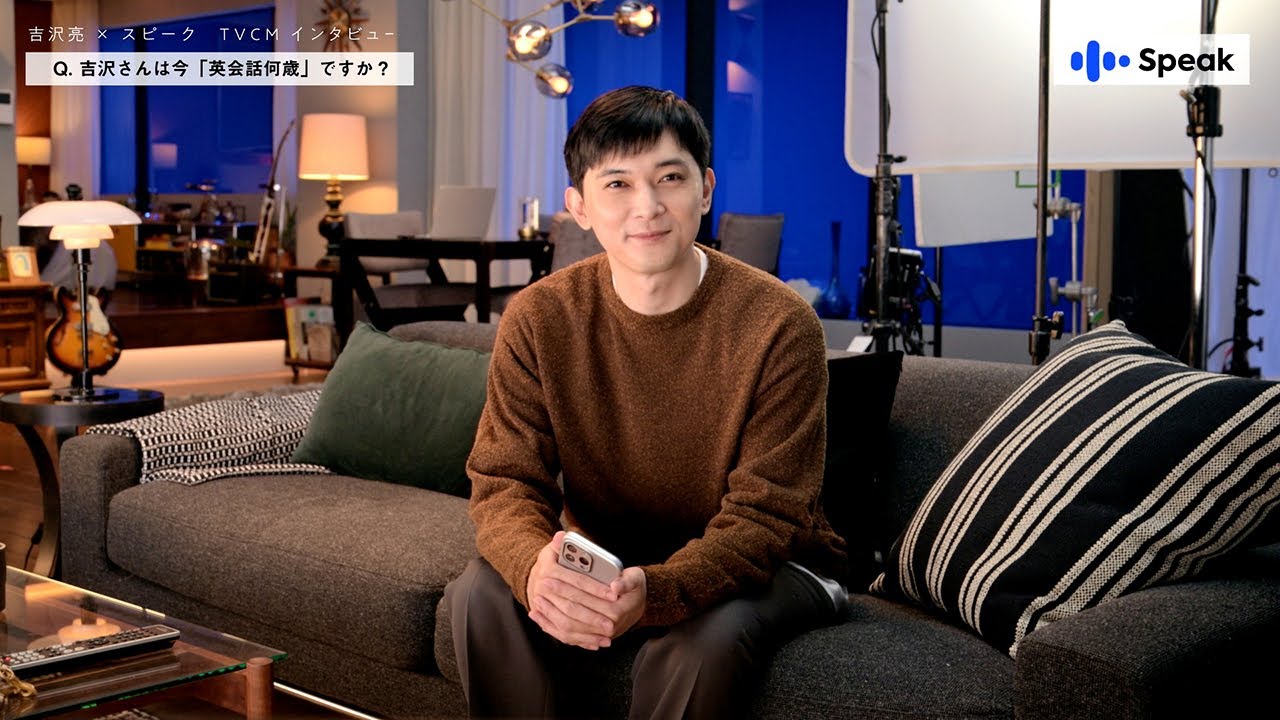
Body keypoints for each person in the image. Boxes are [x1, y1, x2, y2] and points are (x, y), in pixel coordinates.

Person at [444, 85, 848, 719]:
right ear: (579, 207)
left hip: (775, 566)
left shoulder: (780, 324)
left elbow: (767, 519)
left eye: (670, 178)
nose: (648, 206)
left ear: (705, 189)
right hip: (610, 554)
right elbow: (504, 481)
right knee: (482, 592)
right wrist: (534, 569)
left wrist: (657, 593)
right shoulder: (540, 317)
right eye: (618, 184)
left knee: (697, 644)